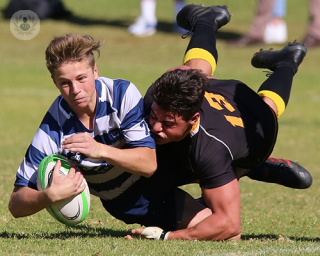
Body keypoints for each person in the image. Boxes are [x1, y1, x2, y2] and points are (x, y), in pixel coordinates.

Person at [124, 4, 309, 241]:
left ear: (193, 120)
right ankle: (206, 21)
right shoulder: (156, 98)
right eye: (154, 117)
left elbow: (230, 227)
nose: (155, 127)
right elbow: (178, 71)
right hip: (217, 97)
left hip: (252, 126)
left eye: (168, 123)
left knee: (267, 108)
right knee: (196, 76)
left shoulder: (210, 149)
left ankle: (286, 63)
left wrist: (166, 237)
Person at [8, 33, 157, 218]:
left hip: (167, 166)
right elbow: (16, 204)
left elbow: (150, 164)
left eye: (81, 78)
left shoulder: (121, 95)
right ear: (55, 82)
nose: (75, 90)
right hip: (127, 200)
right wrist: (49, 195)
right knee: (199, 223)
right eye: (65, 83)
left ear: (95, 71)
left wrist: (99, 150)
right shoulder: (53, 128)